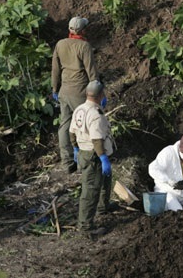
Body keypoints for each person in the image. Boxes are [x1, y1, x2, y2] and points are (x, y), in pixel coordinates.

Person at [51, 16, 98, 173]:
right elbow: (92, 72)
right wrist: (98, 93)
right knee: (84, 125)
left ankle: (67, 162)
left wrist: (54, 89)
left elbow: (55, 69)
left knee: (65, 125)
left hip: (64, 91)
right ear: (82, 30)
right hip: (80, 92)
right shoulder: (84, 46)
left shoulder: (60, 44)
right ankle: (85, 161)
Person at [69, 80, 115, 236]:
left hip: (83, 152)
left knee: (104, 182)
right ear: (101, 94)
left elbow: (71, 131)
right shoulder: (96, 115)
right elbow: (97, 140)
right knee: (90, 190)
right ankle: (85, 226)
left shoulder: (79, 109)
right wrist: (103, 158)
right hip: (93, 155)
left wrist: (75, 147)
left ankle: (103, 207)